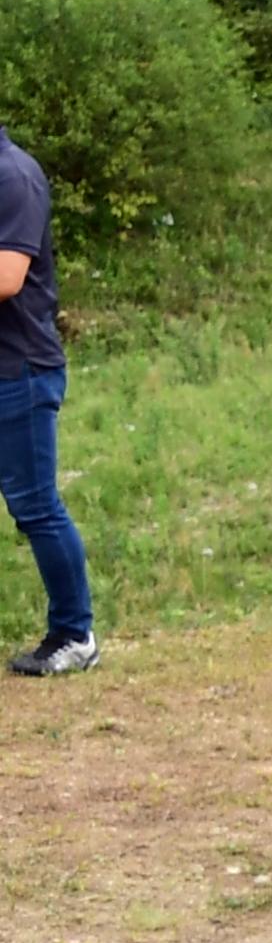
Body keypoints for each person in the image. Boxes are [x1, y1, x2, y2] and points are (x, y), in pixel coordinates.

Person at [0, 122, 91, 676]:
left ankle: (74, 634)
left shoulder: (13, 177)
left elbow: (8, 277)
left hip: (21, 372)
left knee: (36, 506)